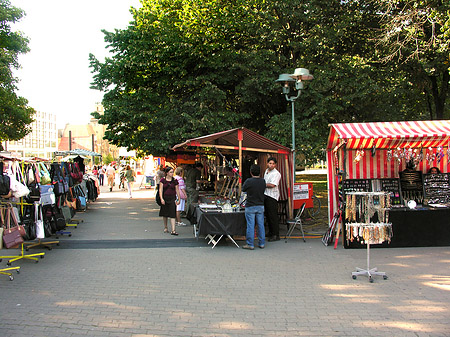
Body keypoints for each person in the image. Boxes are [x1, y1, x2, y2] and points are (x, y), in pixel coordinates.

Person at [242, 164, 266, 250]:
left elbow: (243, 189)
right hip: (260, 205)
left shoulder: (249, 181)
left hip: (250, 206)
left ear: (251, 172)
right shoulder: (263, 181)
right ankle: (262, 243)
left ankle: (250, 244)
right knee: (260, 225)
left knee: (250, 225)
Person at [264, 157, 281, 242]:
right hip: (266, 195)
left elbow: (273, 185)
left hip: (272, 196)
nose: (271, 165)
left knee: (273, 216)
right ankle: (270, 232)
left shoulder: (276, 174)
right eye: (270, 163)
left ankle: (275, 234)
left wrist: (262, 184)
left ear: (275, 165)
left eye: (273, 164)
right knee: (268, 215)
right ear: (267, 163)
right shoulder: (266, 171)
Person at [159, 166, 181, 235]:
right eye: (171, 172)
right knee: (165, 214)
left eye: (172, 172)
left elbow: (177, 190)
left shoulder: (175, 181)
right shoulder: (163, 180)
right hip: (165, 198)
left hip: (172, 198)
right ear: (167, 173)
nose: (172, 174)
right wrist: (161, 198)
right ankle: (165, 227)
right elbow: (160, 190)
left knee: (172, 214)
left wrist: (179, 199)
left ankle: (173, 230)